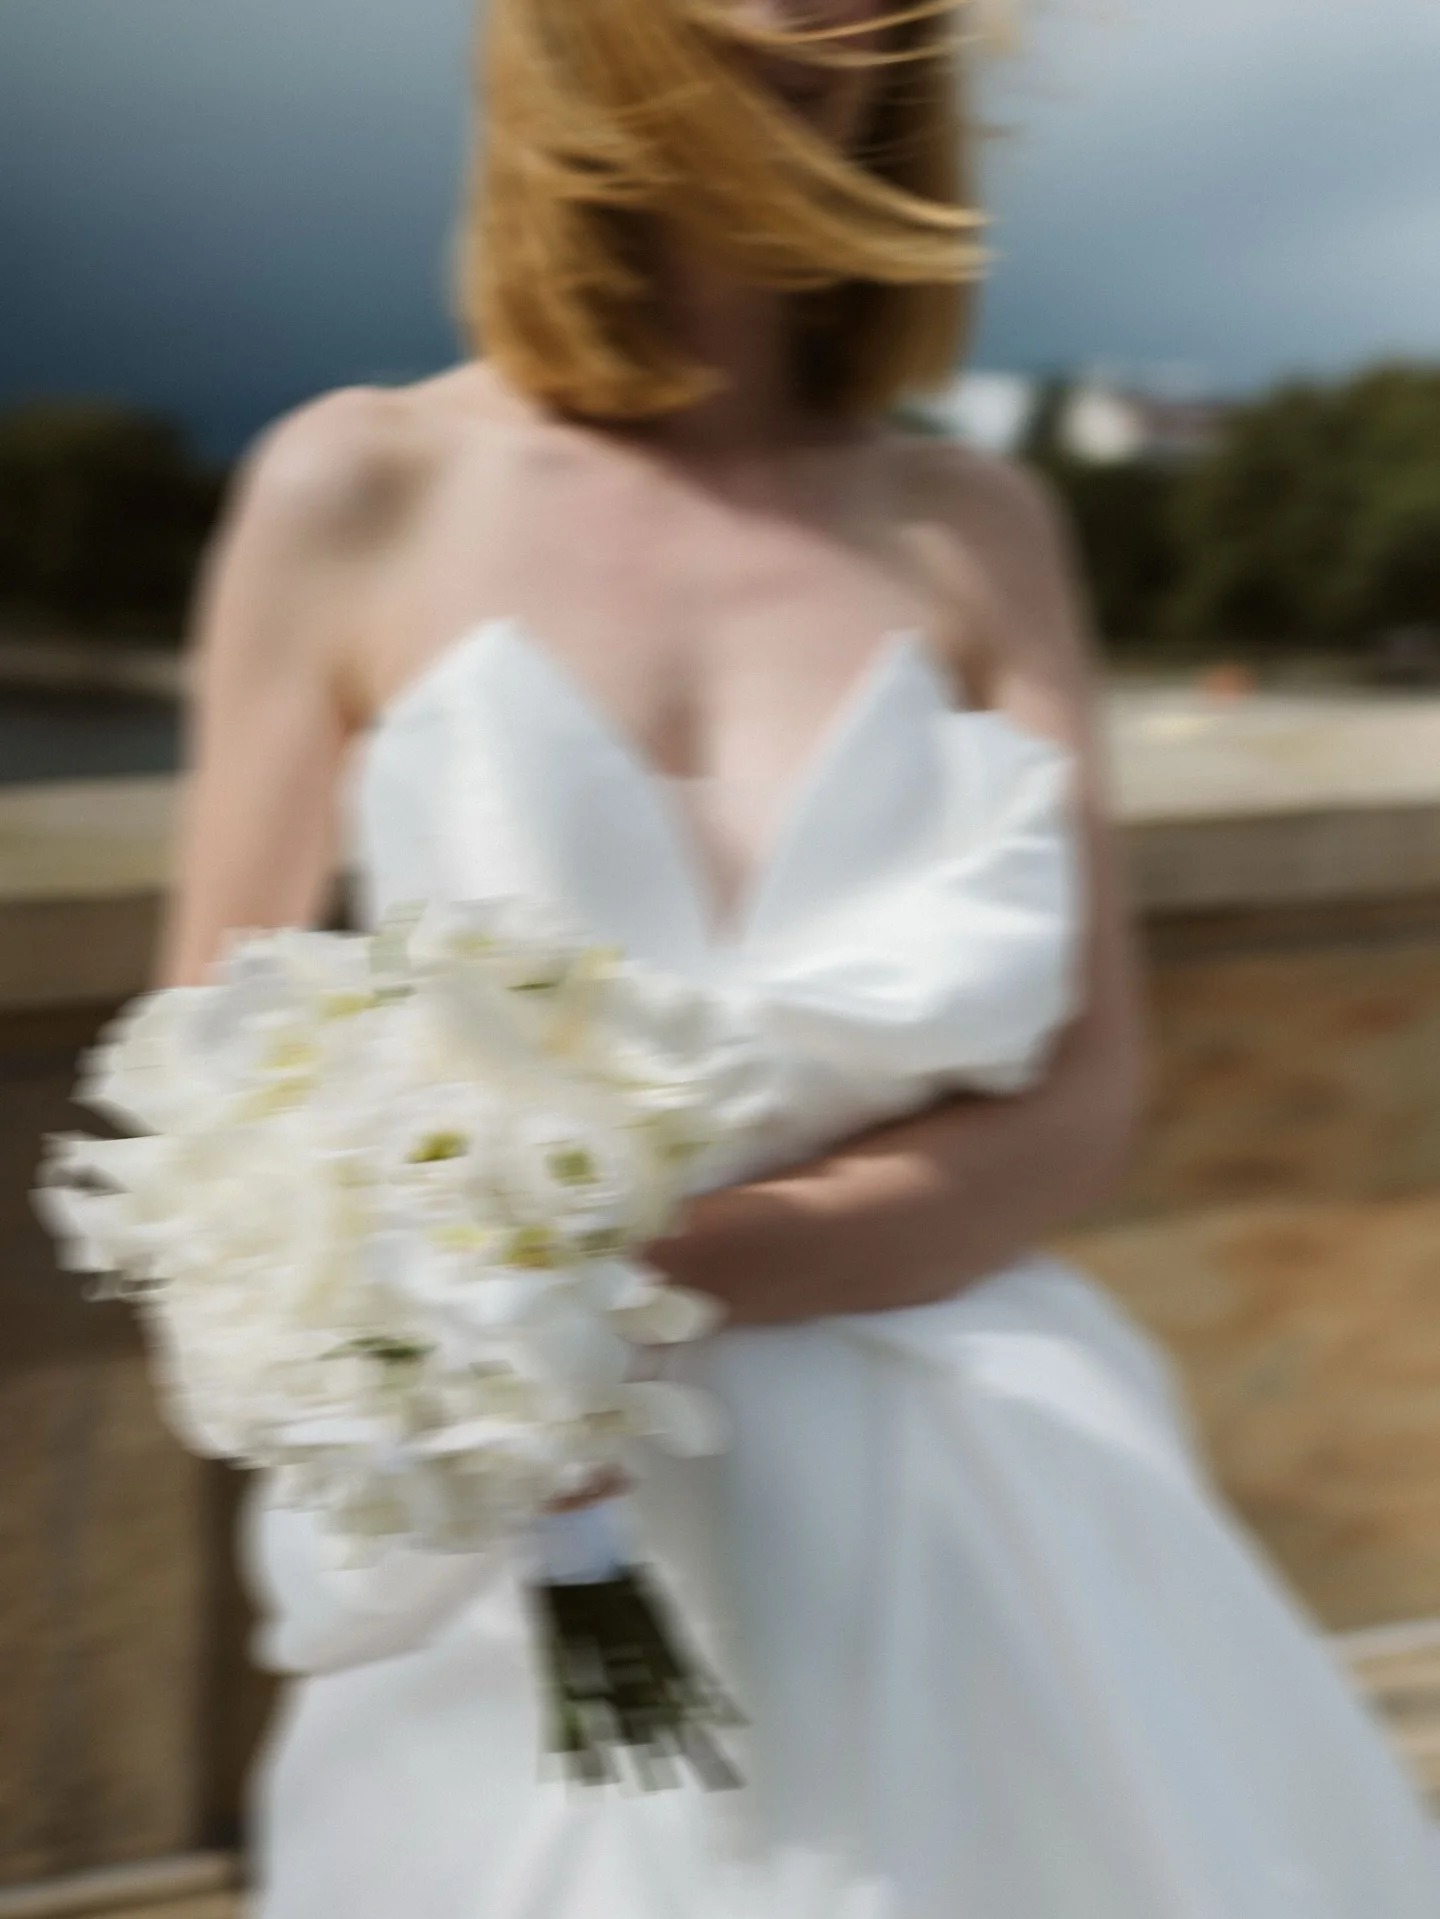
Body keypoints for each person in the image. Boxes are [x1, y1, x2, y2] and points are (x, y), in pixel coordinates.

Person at [157, 0, 1439, 1912]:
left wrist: (623, 1274)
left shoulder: (974, 523)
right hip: (522, 1544)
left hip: (991, 1504)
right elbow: (207, 1095)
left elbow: (1088, 1096)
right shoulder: (356, 488)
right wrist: (450, 1324)